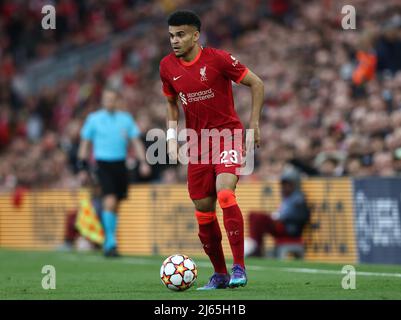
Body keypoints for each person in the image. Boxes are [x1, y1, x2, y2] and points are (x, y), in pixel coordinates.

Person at [159, 10, 264, 289]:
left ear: (196, 35)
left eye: (180, 34)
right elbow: (171, 103)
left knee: (226, 194)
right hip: (197, 144)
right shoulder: (167, 66)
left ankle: (239, 267)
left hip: (228, 136)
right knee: (203, 211)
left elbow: (257, 83)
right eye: (171, 35)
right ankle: (219, 274)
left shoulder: (218, 59)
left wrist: (253, 124)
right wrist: (171, 138)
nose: (174, 41)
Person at [77, 88, 151, 257]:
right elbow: (85, 144)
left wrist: (143, 162)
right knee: (109, 200)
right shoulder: (94, 119)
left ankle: (110, 240)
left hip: (121, 164)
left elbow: (136, 142)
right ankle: (110, 242)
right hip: (102, 163)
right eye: (106, 99)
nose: (109, 102)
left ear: (117, 101)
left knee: (116, 203)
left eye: (112, 99)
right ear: (102, 100)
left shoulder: (125, 119)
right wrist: (82, 167)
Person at [245, 167, 310, 257]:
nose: (285, 187)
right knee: (254, 216)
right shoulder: (287, 197)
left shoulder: (298, 199)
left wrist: (280, 217)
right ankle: (256, 245)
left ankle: (256, 247)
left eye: (288, 185)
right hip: (282, 225)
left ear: (295, 185)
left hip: (289, 229)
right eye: (283, 185)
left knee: (258, 218)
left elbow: (302, 217)